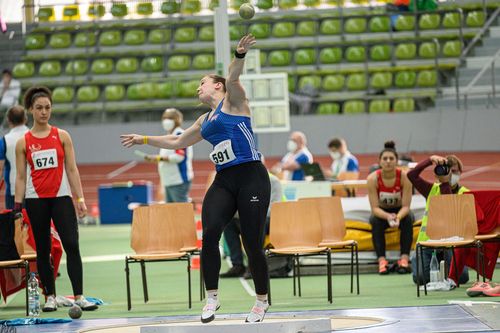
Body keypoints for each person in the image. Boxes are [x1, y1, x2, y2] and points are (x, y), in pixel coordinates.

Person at [121, 34, 271, 323]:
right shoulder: (205, 120)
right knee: (210, 233)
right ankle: (212, 298)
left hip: (251, 176)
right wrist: (144, 138)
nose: (197, 88)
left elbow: (234, 76)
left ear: (217, 85)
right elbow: (177, 142)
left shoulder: (234, 101)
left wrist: (239, 54)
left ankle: (261, 301)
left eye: (202, 82)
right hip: (225, 180)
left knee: (252, 242)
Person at [13, 86, 98, 312]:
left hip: (61, 198)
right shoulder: (24, 142)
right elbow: (21, 176)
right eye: (39, 108)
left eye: (48, 108)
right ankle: (50, 296)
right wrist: (18, 206)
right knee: (43, 249)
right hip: (36, 200)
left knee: (71, 244)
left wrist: (79, 198)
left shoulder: (62, 136)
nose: (44, 112)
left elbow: (72, 169)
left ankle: (79, 295)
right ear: (31, 110)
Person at [407, 154, 469, 285]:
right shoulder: (431, 189)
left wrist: (445, 183)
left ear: (461, 173)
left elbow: (448, 208)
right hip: (428, 243)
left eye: (454, 171)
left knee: (461, 277)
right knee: (421, 279)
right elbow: (411, 175)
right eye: (447, 170)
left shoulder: (465, 193)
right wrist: (429, 160)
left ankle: (444, 268)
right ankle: (420, 260)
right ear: (437, 174)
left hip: (452, 244)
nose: (451, 174)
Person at [220, 171, 283, 278]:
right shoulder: (241, 181)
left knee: (256, 223)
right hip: (246, 218)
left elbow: (274, 208)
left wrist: (253, 213)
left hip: (269, 220)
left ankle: (254, 265)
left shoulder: (273, 182)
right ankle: (237, 265)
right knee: (229, 223)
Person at [367, 141, 414, 275]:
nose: (388, 161)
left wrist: (398, 217)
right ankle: (382, 260)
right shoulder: (372, 179)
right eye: (385, 159)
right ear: (379, 161)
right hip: (382, 212)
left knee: (408, 219)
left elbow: (406, 206)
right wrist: (388, 216)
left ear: (397, 161)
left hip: (400, 211)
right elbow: (374, 208)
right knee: (375, 221)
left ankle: (404, 259)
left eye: (391, 158)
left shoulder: (405, 177)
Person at [144, 108, 193, 203]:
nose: (166, 120)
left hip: (178, 180)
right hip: (169, 180)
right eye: (164, 118)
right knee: (171, 211)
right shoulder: (169, 135)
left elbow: (179, 157)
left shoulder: (180, 134)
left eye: (170, 118)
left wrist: (158, 158)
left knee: (181, 210)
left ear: (177, 120)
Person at [0, 105, 29, 208]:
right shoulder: (34, 135)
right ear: (25, 118)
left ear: (8, 120)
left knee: (14, 223)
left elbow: (0, 170)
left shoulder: (4, 141)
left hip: (14, 191)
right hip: (35, 189)